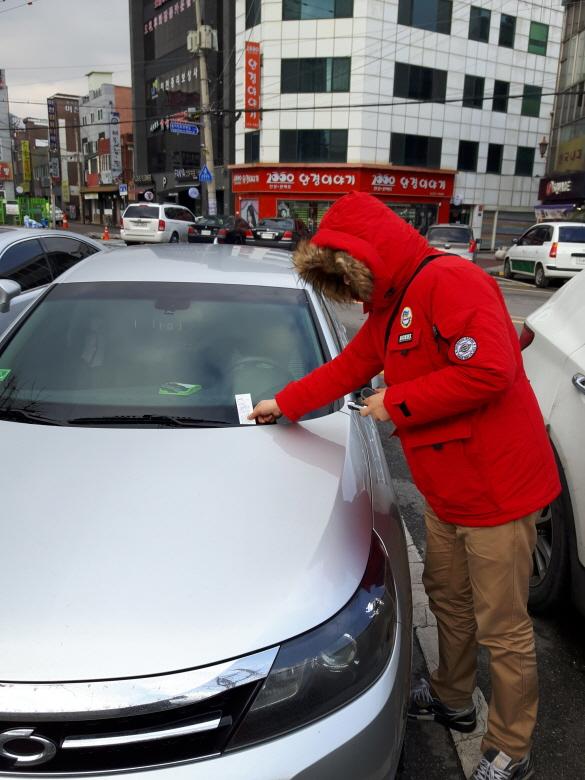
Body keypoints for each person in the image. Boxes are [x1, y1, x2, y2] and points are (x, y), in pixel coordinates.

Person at [249, 192, 560, 780]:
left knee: (503, 625)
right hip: (448, 492)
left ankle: (512, 748)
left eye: (351, 281)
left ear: (369, 258)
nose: (354, 296)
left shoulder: (451, 282)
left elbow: (491, 368)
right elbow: (346, 369)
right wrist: (282, 403)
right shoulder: (389, 307)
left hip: (497, 493)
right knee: (448, 600)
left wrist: (398, 401)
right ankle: (452, 698)